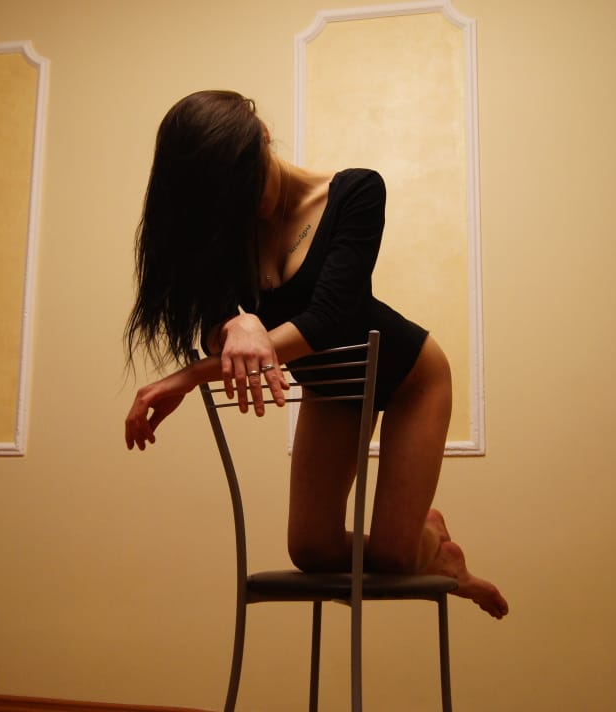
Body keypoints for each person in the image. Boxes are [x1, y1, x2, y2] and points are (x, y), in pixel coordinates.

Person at [124, 90, 508, 619]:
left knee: (395, 557)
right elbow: (216, 324)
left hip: (409, 378)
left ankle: (437, 554)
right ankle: (428, 542)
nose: (247, 206)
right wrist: (238, 322)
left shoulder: (356, 192)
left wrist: (189, 376)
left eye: (248, 185)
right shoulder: (231, 224)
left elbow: (326, 321)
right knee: (310, 549)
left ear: (263, 139)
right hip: (333, 386)